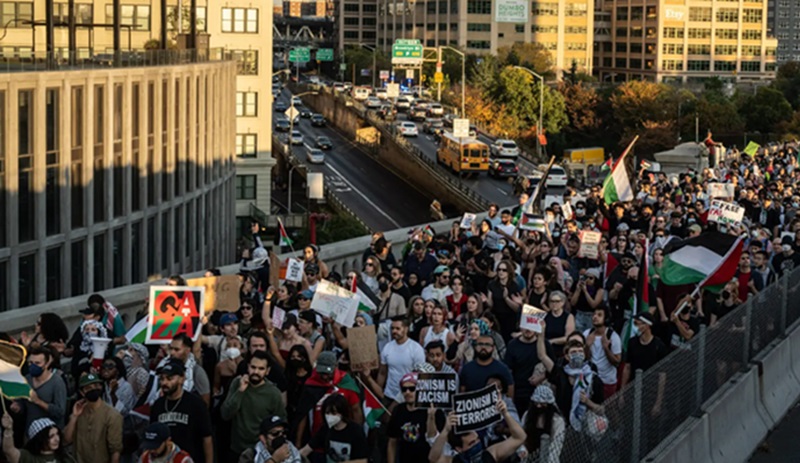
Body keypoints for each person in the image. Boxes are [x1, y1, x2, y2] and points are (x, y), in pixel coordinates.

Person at [221, 351, 286, 458]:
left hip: (260, 452)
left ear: (267, 371)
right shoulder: (237, 383)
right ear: (248, 367)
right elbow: (225, 414)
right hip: (236, 449)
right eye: (253, 367)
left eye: (261, 369)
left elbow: (280, 424)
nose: (256, 371)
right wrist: (240, 391)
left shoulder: (273, 393)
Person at [149, 359, 213, 463]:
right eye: (162, 379)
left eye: (170, 379)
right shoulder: (158, 405)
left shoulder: (196, 404)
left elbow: (207, 438)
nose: (164, 383)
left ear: (182, 379)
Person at [293, 351, 362, 447]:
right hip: (317, 440)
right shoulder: (311, 385)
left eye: (328, 373)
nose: (325, 376)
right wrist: (298, 442)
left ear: (336, 367)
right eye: (322, 373)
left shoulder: (346, 383)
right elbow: (303, 413)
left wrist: (358, 436)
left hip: (343, 439)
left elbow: (356, 410)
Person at [537, 334, 604, 431]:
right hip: (563, 427)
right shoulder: (560, 374)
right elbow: (542, 356)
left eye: (580, 351)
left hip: (586, 429)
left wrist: (587, 402)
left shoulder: (593, 379)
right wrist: (541, 333)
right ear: (567, 357)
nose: (578, 354)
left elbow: (601, 410)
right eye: (574, 352)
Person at [428, 399, 526, 463]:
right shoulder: (454, 461)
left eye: (477, 439)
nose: (477, 444)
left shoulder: (490, 454)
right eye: (471, 443)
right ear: (459, 449)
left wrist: (505, 413)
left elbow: (520, 437)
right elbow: (433, 459)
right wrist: (446, 430)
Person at [64, 373, 123, 463]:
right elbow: (67, 439)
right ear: (82, 392)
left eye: (96, 386)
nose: (93, 389)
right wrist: (74, 416)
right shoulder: (79, 411)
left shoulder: (112, 415)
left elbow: (115, 450)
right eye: (88, 388)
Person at [387, 373, 445, 463]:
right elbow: (392, 441)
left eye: (412, 389)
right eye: (404, 389)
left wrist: (431, 416)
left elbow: (439, 440)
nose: (407, 392)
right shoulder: (398, 410)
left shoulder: (433, 410)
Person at [300, 394, 368, 463]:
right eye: (327, 413)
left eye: (334, 413)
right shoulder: (325, 429)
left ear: (342, 413)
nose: (330, 416)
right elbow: (307, 449)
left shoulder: (355, 431)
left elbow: (364, 460)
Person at [504, 323, 554, 413]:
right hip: (519, 393)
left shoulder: (544, 344)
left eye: (531, 326)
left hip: (541, 393)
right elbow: (508, 371)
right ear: (520, 327)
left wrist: (542, 376)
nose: (528, 329)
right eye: (525, 326)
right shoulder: (512, 345)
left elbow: (555, 369)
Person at [15, 346, 67, 430]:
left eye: (37, 363)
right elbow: (22, 403)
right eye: (30, 362)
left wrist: (38, 401)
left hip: (50, 433)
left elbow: (60, 411)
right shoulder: (26, 380)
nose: (33, 366)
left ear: (46, 364)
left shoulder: (57, 382)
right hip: (31, 430)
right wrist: (17, 407)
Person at [378, 318, 426, 400]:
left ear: (406, 329)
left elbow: (420, 376)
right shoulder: (387, 347)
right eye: (392, 328)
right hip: (389, 394)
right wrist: (378, 392)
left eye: (398, 328)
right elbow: (382, 373)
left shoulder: (416, 349)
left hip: (407, 395)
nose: (394, 331)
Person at [158, 334, 211, 407]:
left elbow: (205, 402)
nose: (172, 353)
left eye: (177, 349)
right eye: (171, 348)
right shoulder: (162, 365)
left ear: (187, 350)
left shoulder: (197, 372)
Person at [2, 414, 75, 463]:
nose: (57, 439)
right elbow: (9, 451)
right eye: (51, 436)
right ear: (39, 439)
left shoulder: (64, 457)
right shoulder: (28, 457)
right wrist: (8, 429)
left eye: (57, 434)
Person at [583, 307, 622, 399]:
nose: (595, 317)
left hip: (607, 381)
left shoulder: (613, 336)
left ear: (606, 319)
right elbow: (585, 358)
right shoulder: (587, 333)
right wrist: (587, 346)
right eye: (594, 314)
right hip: (590, 378)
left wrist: (606, 348)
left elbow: (617, 361)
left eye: (599, 315)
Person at [520, 386, 565, 463]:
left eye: (542, 404)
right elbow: (520, 435)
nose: (538, 406)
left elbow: (556, 444)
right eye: (536, 403)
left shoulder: (557, 421)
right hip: (528, 456)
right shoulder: (527, 415)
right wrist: (522, 450)